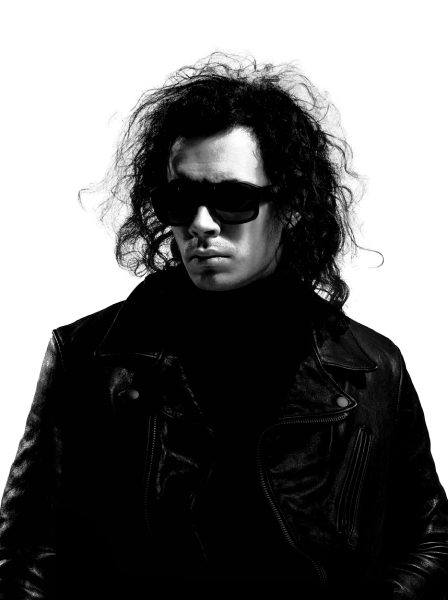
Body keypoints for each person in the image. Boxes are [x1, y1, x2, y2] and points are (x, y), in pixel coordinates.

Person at [0, 54, 447, 600]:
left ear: (292, 204)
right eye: (180, 199)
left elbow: (430, 541)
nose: (201, 224)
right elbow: (27, 560)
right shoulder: (90, 356)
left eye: (233, 199)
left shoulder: (371, 368)